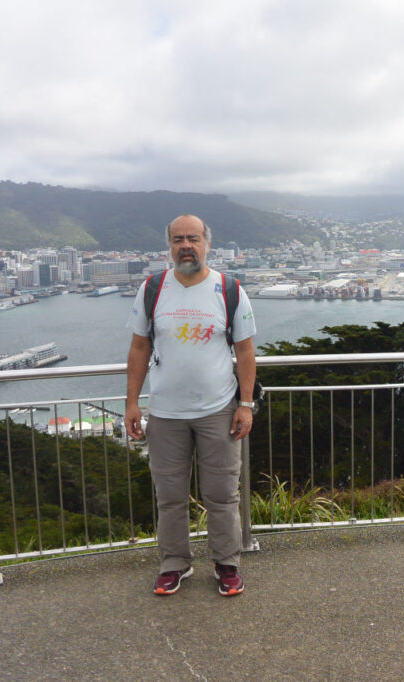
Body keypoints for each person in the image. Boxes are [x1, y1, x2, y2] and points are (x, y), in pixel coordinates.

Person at [124, 214, 257, 596]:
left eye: (194, 239)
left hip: (218, 409)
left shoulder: (229, 290)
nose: (186, 246)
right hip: (165, 413)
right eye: (179, 239)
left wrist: (245, 404)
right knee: (169, 496)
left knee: (222, 494)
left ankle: (227, 563)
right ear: (169, 246)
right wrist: (132, 403)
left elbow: (246, 352)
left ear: (207, 244)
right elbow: (138, 348)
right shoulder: (152, 289)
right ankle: (174, 564)